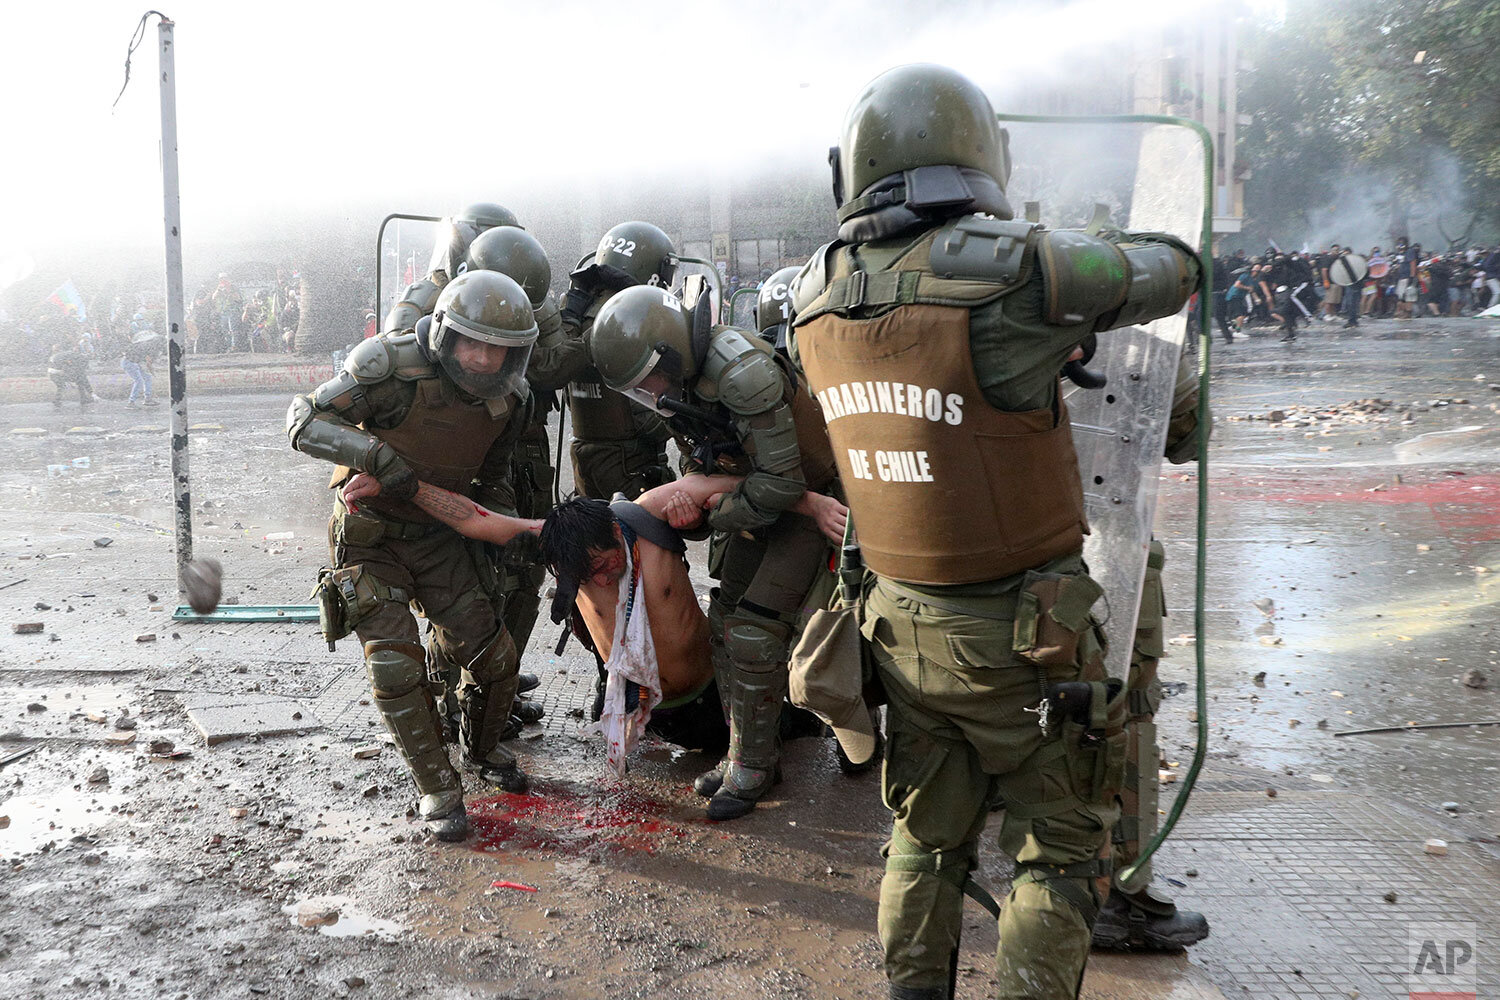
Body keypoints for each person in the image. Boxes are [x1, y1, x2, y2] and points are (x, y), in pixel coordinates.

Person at [787, 64, 1201, 999]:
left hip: (899, 627)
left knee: (925, 842)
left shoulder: (811, 294)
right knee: (1057, 853)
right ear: (980, 157)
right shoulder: (1018, 274)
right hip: (1028, 641)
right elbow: (1174, 269)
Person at [286, 270, 539, 840]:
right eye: (472, 342)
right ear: (445, 334)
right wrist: (376, 457)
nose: (481, 360)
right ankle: (438, 788)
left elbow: (493, 478)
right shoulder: (388, 367)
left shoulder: (511, 400)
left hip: (443, 539)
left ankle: (482, 750)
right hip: (370, 536)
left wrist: (494, 530)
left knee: (496, 658)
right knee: (394, 663)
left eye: (498, 351)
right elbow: (302, 419)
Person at [588, 283, 850, 820]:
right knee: (727, 626)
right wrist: (693, 498)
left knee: (756, 631)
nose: (650, 394)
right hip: (755, 502)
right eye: (637, 389)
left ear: (669, 353)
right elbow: (706, 462)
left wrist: (711, 508)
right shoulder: (679, 383)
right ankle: (748, 754)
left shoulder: (742, 375)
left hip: (809, 500)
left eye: (649, 381)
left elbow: (780, 483)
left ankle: (758, 764)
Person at [1091, 352, 1211, 951]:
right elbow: (1190, 436)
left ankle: (1057, 884)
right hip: (1109, 546)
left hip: (996, 553)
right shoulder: (1138, 327)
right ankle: (1118, 893)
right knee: (1124, 713)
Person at [531, 222, 678, 501]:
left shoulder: (579, 309)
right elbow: (652, 416)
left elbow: (556, 363)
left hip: (585, 458)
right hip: (631, 463)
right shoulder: (631, 317)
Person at [47, 338, 95, 409]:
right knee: (80, 380)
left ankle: (57, 400)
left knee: (61, 386)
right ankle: (84, 398)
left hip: (52, 374)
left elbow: (66, 364)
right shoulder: (70, 354)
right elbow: (72, 363)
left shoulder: (57, 355)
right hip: (58, 374)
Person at [121, 331, 160, 407]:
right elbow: (148, 364)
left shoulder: (144, 345)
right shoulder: (147, 347)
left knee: (147, 377)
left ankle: (148, 398)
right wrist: (154, 374)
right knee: (139, 381)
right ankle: (131, 402)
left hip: (133, 362)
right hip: (129, 362)